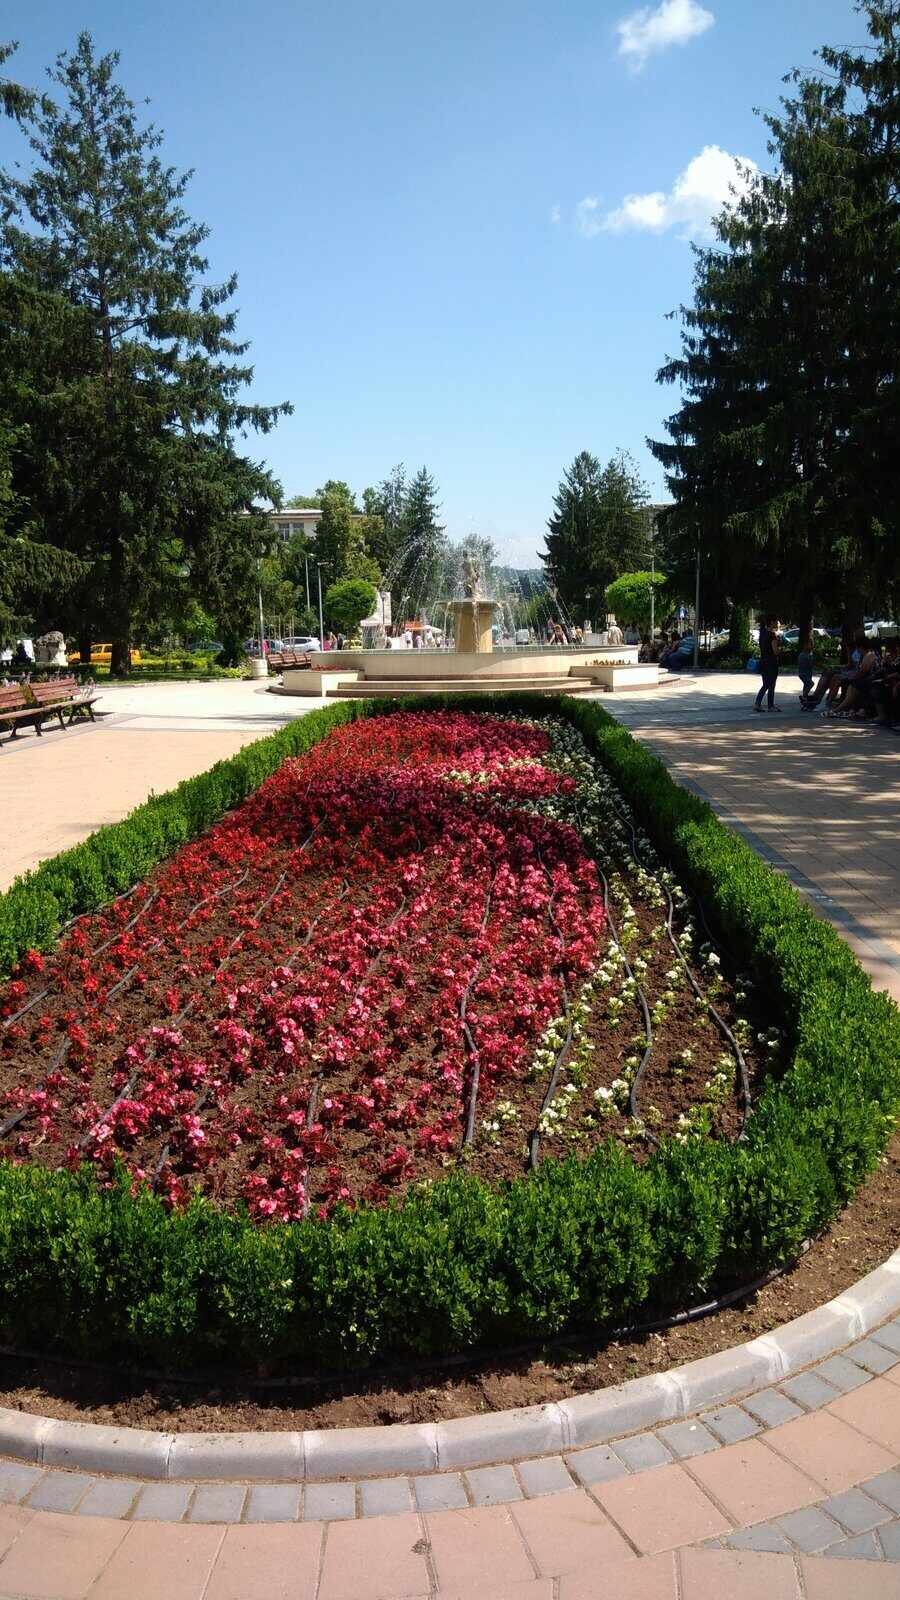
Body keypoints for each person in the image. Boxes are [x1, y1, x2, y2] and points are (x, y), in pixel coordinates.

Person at [754, 615, 781, 712]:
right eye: (776, 621)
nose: (777, 623)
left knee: (765, 684)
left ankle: (758, 703)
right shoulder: (772, 635)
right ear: (772, 622)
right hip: (771, 662)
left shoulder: (762, 633)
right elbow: (775, 651)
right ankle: (770, 706)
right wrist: (779, 647)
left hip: (763, 661)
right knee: (771, 685)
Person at [797, 631, 815, 705]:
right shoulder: (804, 655)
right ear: (805, 646)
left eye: (812, 644)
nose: (812, 646)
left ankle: (804, 699)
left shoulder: (808, 654)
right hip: (804, 674)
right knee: (811, 684)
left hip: (807, 673)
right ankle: (804, 696)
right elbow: (810, 664)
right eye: (810, 645)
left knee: (806, 685)